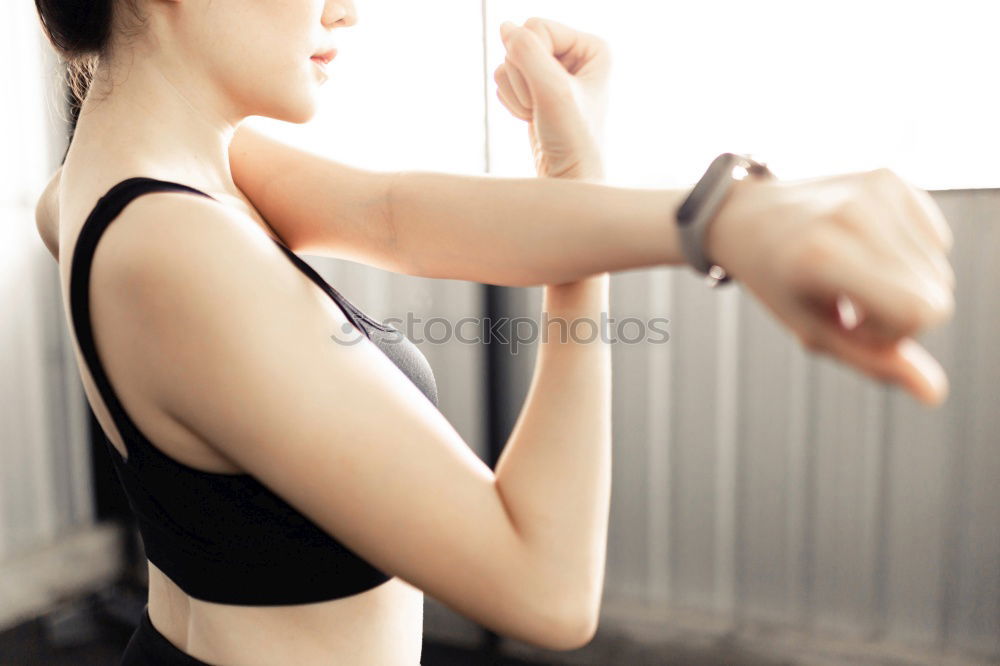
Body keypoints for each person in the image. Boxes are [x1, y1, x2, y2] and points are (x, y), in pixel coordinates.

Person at [31, 1, 954, 664]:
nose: (347, 11)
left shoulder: (125, 181)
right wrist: (591, 275)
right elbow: (543, 587)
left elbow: (397, 217)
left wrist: (711, 216)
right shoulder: (176, 250)